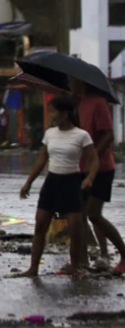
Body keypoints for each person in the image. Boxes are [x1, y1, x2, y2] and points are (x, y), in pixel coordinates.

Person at [10, 96, 98, 279]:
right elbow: (42, 159)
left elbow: (94, 159)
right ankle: (33, 268)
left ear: (65, 114)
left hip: (72, 182)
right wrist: (29, 182)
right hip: (52, 182)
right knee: (40, 226)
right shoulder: (50, 133)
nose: (50, 115)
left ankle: (76, 267)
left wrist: (89, 178)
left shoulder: (81, 135)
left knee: (75, 228)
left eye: (53, 111)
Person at [71, 79, 125, 274]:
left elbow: (109, 135)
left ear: (83, 83)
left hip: (101, 168)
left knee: (93, 213)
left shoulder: (98, 103)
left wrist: (92, 157)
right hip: (79, 168)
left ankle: (120, 253)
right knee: (80, 215)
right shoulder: (77, 104)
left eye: (72, 80)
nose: (70, 83)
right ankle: (84, 260)